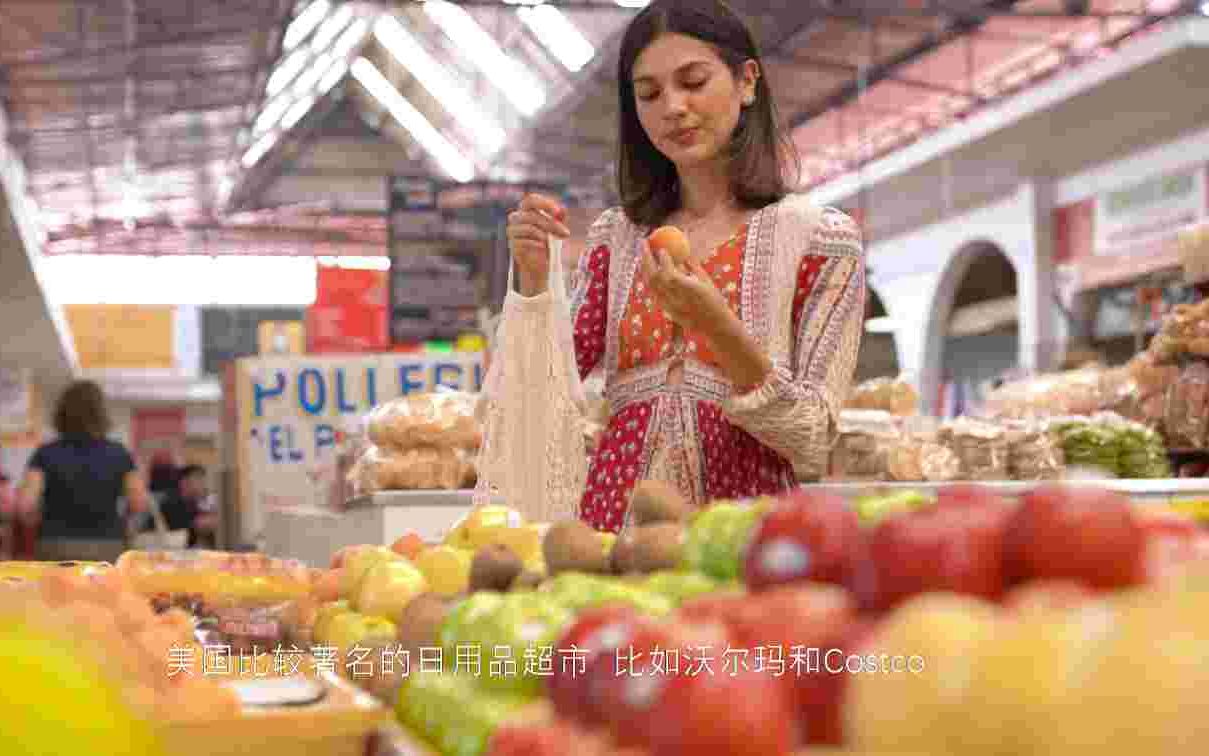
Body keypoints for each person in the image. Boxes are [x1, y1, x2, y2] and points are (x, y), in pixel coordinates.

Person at [503, 0, 866, 532]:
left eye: (693, 82)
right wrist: (534, 284)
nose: (672, 107)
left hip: (744, 538)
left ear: (747, 82)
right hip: (611, 532)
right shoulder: (618, 239)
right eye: (648, 94)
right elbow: (536, 404)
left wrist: (716, 325)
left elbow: (810, 436)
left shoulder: (820, 239)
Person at [16, 381, 150, 562]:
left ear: (61, 413)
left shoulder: (46, 453)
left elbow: (25, 506)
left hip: (55, 544)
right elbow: (139, 503)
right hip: (107, 544)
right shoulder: (119, 453)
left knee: (56, 591)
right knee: (103, 591)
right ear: (101, 414)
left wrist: (38, 518)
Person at [155, 464, 217, 548]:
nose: (203, 485)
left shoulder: (193, 501)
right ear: (184, 482)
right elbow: (197, 524)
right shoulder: (172, 502)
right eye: (199, 480)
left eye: (203, 480)